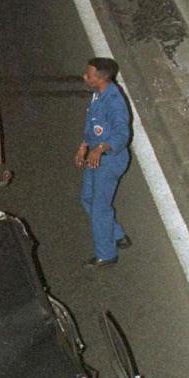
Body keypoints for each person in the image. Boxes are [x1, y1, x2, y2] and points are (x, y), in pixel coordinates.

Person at [73, 57, 131, 267]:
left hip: (109, 161)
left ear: (101, 78)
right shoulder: (99, 95)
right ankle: (117, 235)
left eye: (89, 74)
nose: (84, 76)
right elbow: (93, 124)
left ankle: (106, 255)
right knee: (87, 198)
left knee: (100, 208)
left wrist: (100, 148)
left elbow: (122, 133)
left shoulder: (114, 101)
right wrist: (84, 146)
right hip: (95, 157)